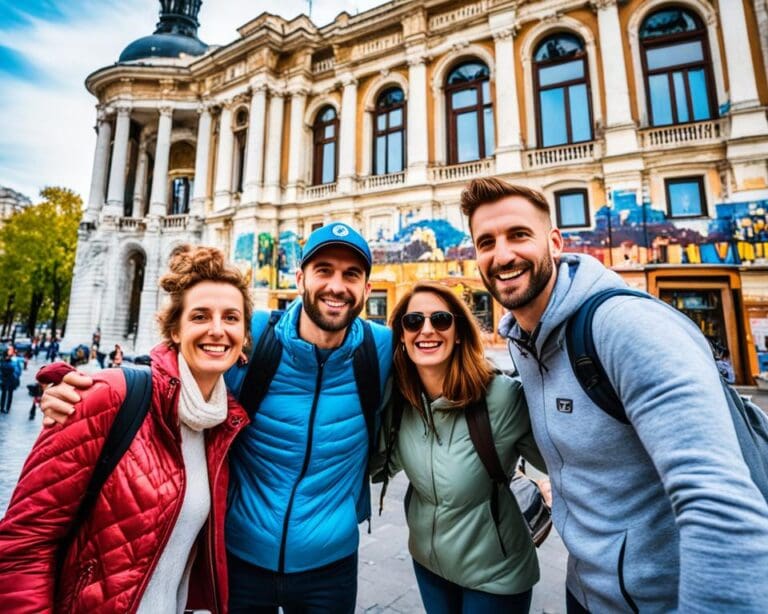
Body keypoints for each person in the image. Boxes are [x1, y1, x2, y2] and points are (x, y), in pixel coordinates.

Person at [40, 223, 393, 613]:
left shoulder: (383, 348)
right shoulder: (255, 334)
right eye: (324, 270)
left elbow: (441, 371)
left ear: (366, 288)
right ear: (300, 278)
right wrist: (87, 394)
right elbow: (177, 368)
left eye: (351, 275)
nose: (337, 286)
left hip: (332, 564)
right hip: (242, 558)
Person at [459, 177, 768, 612]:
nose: (502, 254)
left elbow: (720, 507)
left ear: (554, 242)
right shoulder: (524, 340)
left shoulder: (625, 327)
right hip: (587, 591)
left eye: (519, 235)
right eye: (486, 242)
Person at [0, 245, 251, 612]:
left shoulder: (222, 427)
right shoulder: (108, 395)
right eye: (200, 316)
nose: (217, 330)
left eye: (231, 318)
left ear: (245, 337)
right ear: (175, 332)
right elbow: (25, 543)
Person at [376, 281, 546, 613]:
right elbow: (375, 463)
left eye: (440, 319)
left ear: (458, 332)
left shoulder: (501, 397)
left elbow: (564, 458)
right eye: (413, 322)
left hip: (495, 575)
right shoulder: (402, 400)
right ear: (401, 335)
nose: (426, 330)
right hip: (427, 563)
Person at [0, 348, 20, 414]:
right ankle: (2, 407)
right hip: (5, 379)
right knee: (4, 394)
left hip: (11, 379)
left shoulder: (14, 360)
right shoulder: (3, 361)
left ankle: (7, 408)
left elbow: (17, 370)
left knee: (10, 394)